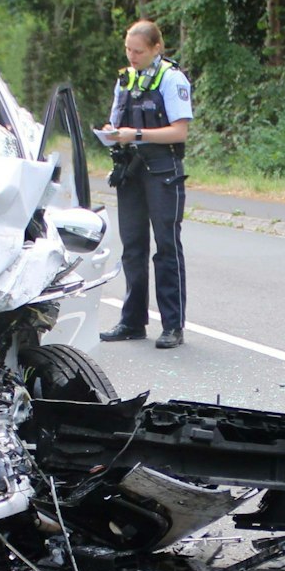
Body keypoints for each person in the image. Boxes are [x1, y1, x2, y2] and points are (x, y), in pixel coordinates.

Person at [98, 20, 193, 349]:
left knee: (166, 247)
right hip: (131, 170)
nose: (132, 56)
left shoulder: (171, 78)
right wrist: (112, 131)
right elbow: (117, 121)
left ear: (156, 48)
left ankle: (172, 326)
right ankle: (132, 321)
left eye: (138, 51)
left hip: (163, 170)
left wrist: (136, 135)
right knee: (133, 247)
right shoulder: (124, 79)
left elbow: (179, 131)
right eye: (128, 49)